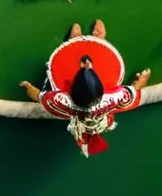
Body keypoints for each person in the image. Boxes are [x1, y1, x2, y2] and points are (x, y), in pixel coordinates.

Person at [20, 20, 151, 157]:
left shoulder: (61, 100)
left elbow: (39, 96)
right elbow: (133, 93)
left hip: (78, 115)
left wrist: (28, 87)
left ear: (72, 92)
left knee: (73, 67)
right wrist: (142, 80)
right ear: (101, 91)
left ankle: (76, 41)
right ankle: (98, 41)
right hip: (102, 113)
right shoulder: (113, 98)